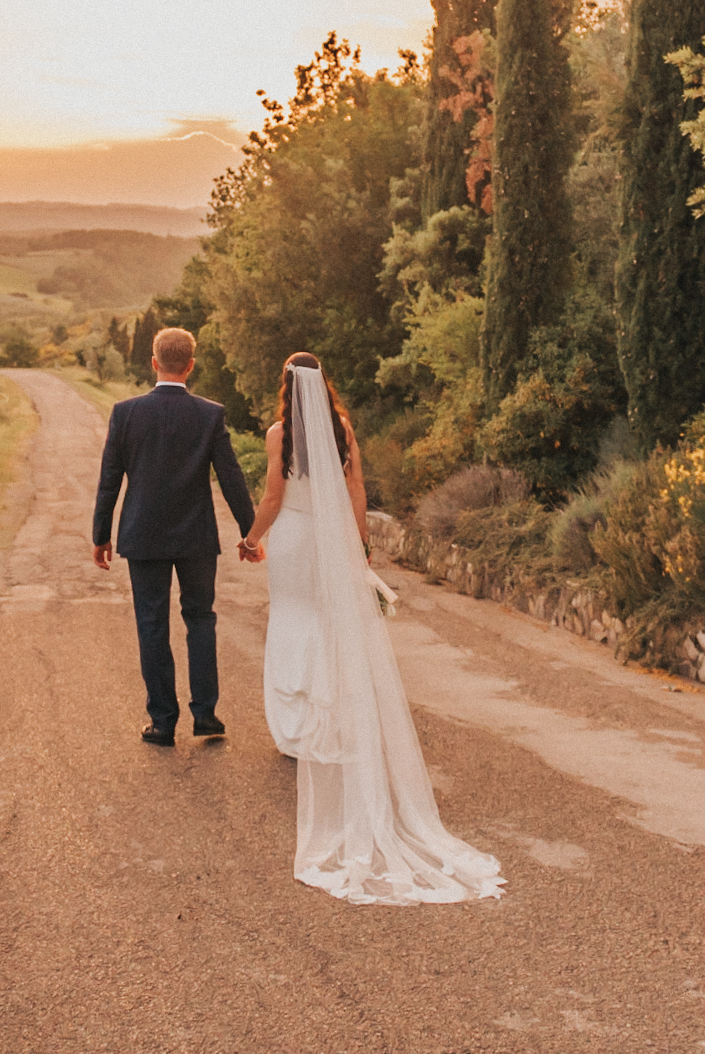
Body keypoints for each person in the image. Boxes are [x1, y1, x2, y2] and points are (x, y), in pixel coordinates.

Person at [240, 353, 504, 906]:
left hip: (294, 539)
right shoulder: (342, 429)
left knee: (292, 622)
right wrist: (359, 544)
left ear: (286, 387)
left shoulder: (279, 434)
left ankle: (296, 728)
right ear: (323, 384)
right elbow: (356, 490)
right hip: (330, 540)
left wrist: (252, 538)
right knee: (330, 627)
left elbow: (273, 496)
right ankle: (331, 719)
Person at [92, 326, 258, 746]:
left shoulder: (126, 413)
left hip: (143, 535)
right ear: (190, 366)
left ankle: (163, 722)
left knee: (151, 624)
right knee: (200, 619)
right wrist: (250, 534)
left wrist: (101, 534)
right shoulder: (209, 415)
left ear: (154, 363)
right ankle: (206, 716)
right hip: (196, 537)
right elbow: (231, 478)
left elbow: (109, 479)